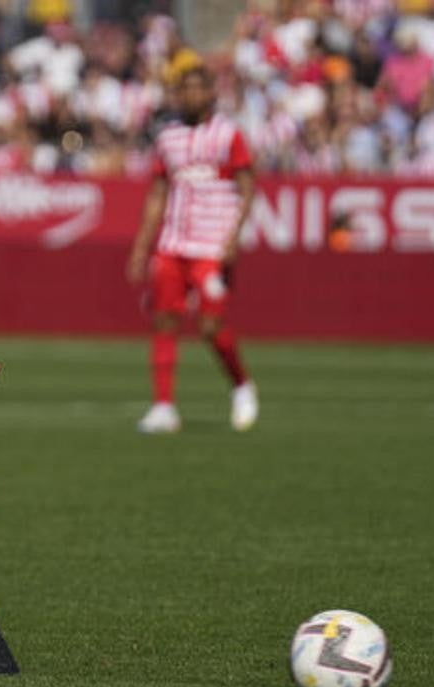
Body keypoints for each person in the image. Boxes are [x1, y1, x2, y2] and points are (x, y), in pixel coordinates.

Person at [126, 65, 259, 434]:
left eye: (197, 89)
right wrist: (141, 246)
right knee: (165, 319)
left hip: (212, 245)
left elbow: (248, 186)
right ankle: (164, 406)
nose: (190, 96)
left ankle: (242, 386)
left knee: (211, 325)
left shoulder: (228, 135)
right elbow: (157, 193)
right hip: (173, 243)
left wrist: (234, 237)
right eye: (184, 90)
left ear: (211, 94)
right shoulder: (168, 137)